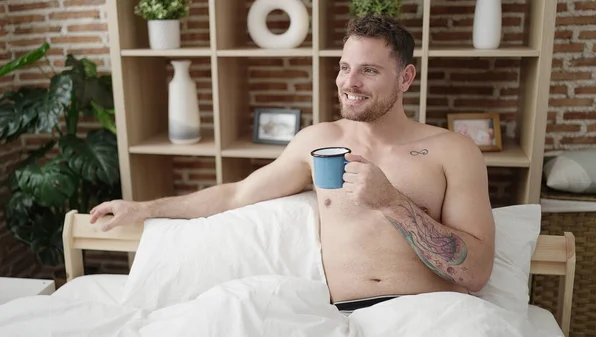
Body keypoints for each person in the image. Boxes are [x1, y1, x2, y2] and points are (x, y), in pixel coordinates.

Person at [90, 15, 495, 316]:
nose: (349, 82)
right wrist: (143, 208)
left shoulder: (453, 152)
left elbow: (475, 272)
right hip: (341, 316)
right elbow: (236, 194)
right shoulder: (317, 143)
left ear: (406, 78)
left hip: (429, 315)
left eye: (369, 71)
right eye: (344, 67)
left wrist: (391, 202)